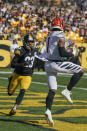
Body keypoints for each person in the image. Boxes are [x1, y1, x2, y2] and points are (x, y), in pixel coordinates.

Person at [44, 17, 84, 126]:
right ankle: (67, 90)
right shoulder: (60, 34)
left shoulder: (49, 35)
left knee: (52, 90)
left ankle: (48, 110)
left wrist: (65, 50)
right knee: (80, 70)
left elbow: (55, 49)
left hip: (47, 64)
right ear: (61, 25)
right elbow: (62, 52)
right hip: (56, 63)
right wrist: (72, 54)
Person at [8, 33, 38, 116]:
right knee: (10, 93)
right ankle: (10, 80)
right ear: (25, 42)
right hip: (17, 74)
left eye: (31, 42)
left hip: (27, 75)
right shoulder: (20, 50)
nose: (30, 43)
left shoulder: (35, 50)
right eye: (29, 42)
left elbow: (35, 61)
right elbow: (13, 64)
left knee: (23, 90)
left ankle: (15, 107)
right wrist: (21, 65)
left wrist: (32, 69)